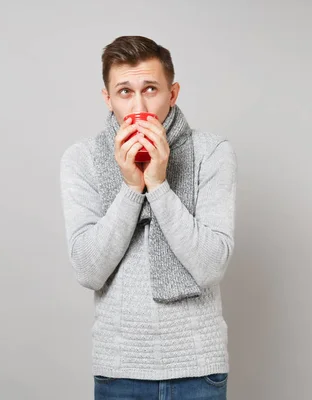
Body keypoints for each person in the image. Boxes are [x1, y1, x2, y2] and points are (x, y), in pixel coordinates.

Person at [59, 35, 237, 400]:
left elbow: (210, 266)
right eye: (124, 91)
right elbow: (89, 270)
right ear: (108, 99)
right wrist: (130, 188)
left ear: (172, 94)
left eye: (150, 89)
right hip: (119, 368)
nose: (139, 105)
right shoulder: (82, 159)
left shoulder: (212, 152)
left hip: (198, 367)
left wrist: (157, 185)